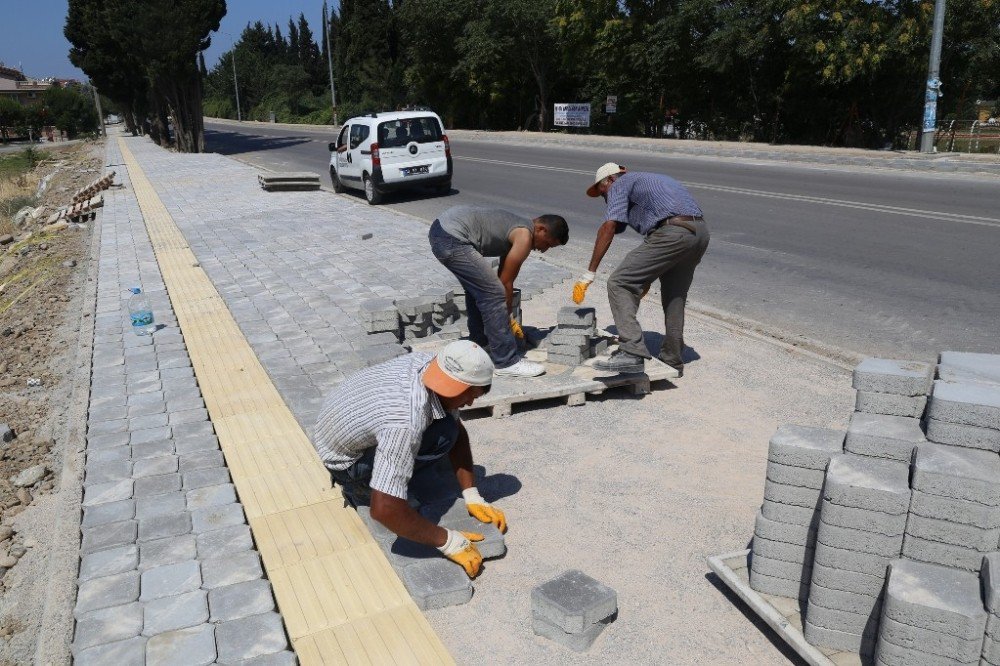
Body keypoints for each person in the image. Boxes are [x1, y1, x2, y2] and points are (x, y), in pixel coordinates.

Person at [312, 340, 506, 578]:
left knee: (446, 428)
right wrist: (448, 541)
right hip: (345, 462)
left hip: (335, 424)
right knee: (432, 442)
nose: (470, 403)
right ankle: (363, 487)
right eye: (470, 396)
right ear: (457, 386)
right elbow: (384, 510)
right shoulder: (405, 420)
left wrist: (471, 494)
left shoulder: (432, 364)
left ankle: (390, 467)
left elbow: (456, 429)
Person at [573, 163, 710, 376]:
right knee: (675, 297)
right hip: (698, 233)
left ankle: (632, 352)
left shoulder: (620, 183)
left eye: (603, 193)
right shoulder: (647, 180)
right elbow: (623, 227)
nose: (605, 199)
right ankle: (672, 360)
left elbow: (609, 227)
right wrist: (643, 279)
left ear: (609, 180)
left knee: (619, 283)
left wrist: (588, 274)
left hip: (673, 232)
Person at [429, 205, 569, 378]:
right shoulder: (524, 235)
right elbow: (504, 286)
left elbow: (504, 278)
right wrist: (507, 317)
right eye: (547, 243)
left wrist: (505, 315)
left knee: (480, 290)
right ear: (541, 229)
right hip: (452, 237)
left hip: (442, 231)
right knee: (492, 293)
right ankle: (506, 362)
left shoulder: (516, 228)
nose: (544, 249)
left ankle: (481, 342)